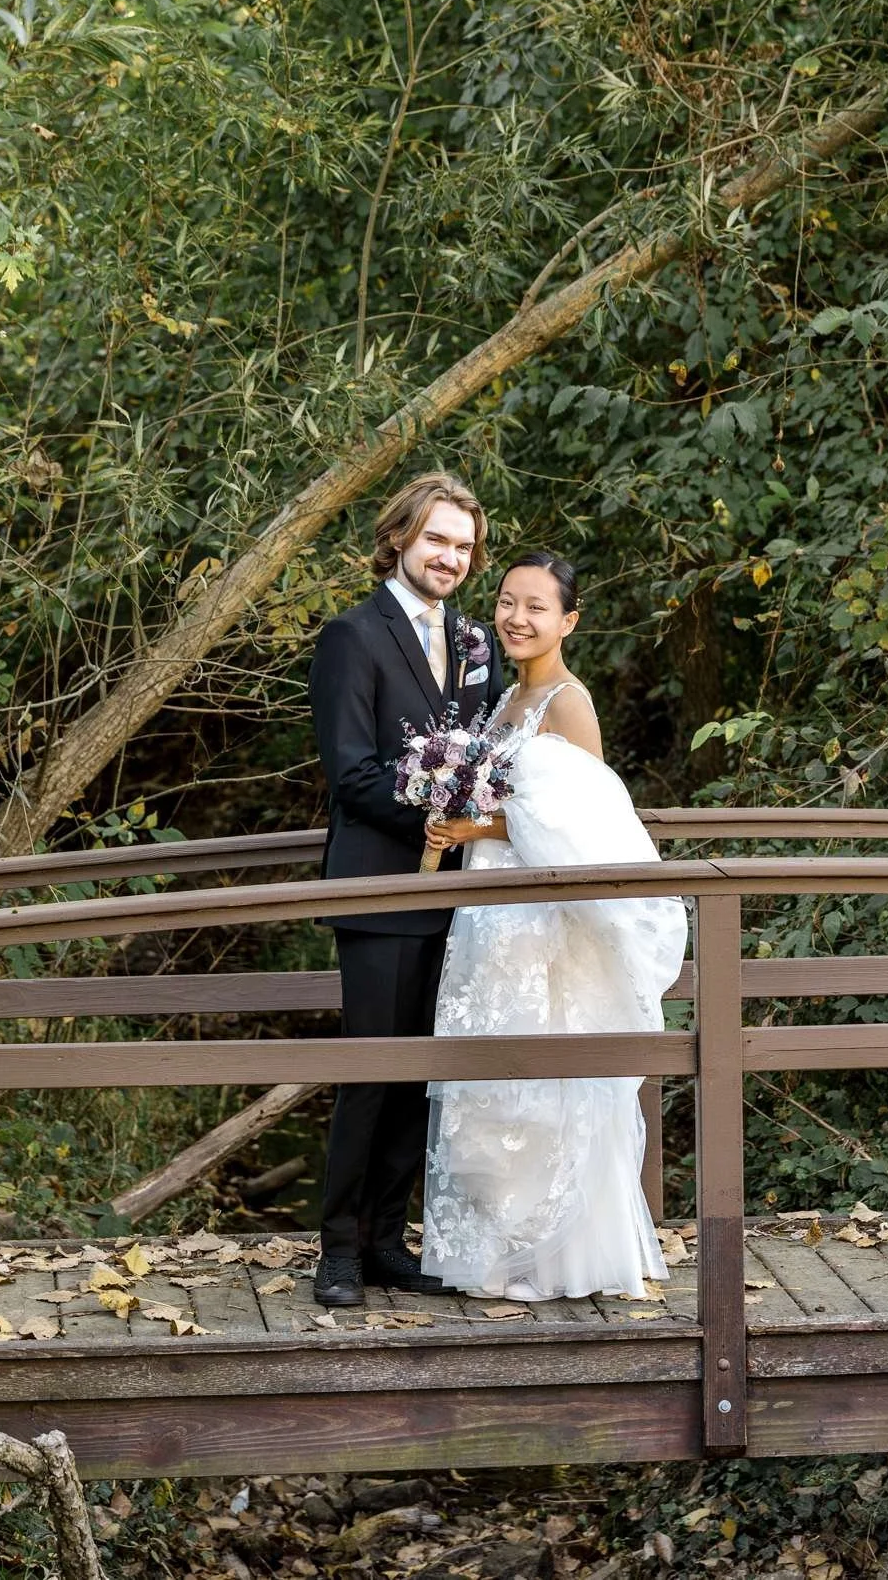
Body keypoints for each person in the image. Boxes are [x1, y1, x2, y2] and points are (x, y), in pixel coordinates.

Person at [418, 550, 687, 1301]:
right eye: (507, 602)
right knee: (492, 1077)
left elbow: (588, 829)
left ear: (568, 620)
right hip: (493, 914)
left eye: (537, 607)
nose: (517, 618)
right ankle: (502, 1254)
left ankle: (567, 1258)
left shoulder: (570, 702)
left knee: (547, 1076)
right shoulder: (501, 703)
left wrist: (476, 828)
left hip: (541, 915)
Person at [305, 470, 507, 1308]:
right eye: (437, 540)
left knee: (424, 1070)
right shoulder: (352, 636)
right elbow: (350, 770)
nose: (450, 558)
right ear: (399, 538)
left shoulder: (472, 643)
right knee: (373, 1069)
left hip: (453, 891)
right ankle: (338, 1250)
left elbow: (485, 745)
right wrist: (430, 805)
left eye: (463, 547)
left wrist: (474, 805)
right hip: (378, 886)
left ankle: (390, 1240)